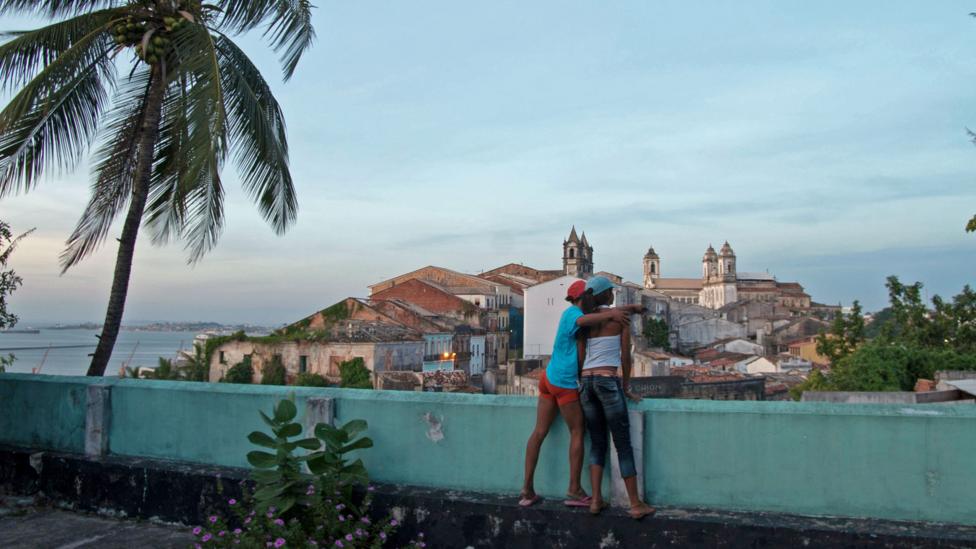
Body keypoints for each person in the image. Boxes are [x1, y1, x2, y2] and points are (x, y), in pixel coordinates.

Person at [519, 279, 643, 508]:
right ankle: (574, 489)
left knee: (539, 432)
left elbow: (601, 313)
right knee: (578, 430)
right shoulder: (573, 314)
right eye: (589, 295)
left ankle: (527, 488)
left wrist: (630, 309)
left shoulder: (579, 316)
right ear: (582, 297)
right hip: (564, 381)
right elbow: (596, 317)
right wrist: (612, 316)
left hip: (549, 377)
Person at [577, 275, 655, 519]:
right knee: (622, 444)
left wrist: (583, 380)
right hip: (607, 381)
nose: (614, 294)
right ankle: (635, 503)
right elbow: (625, 357)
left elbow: (581, 356)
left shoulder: (586, 322)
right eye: (611, 291)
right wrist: (626, 385)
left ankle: (595, 500)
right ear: (607, 295)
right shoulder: (619, 319)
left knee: (597, 443)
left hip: (586, 383)